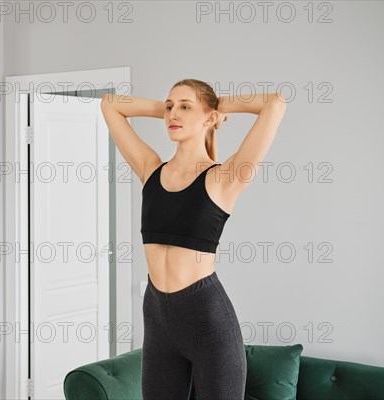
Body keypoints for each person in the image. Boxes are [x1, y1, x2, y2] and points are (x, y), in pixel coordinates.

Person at [100, 79, 287, 399]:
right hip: (158, 316)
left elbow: (275, 103)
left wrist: (218, 105)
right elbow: (110, 105)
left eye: (185, 106)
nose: (173, 113)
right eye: (170, 106)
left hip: (208, 319)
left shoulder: (225, 178)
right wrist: (171, 109)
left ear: (210, 118)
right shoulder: (150, 170)